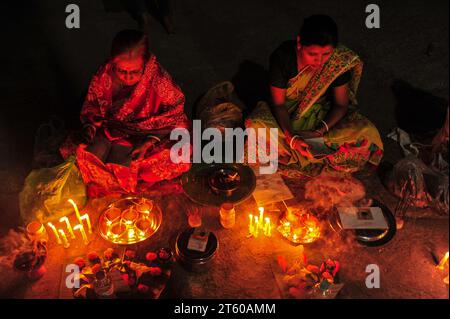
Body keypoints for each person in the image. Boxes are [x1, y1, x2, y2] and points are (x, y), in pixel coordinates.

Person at [245, 14, 383, 175]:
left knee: (365, 132)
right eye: (312, 54)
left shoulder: (338, 62)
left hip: (321, 115)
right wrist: (292, 138)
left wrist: (318, 131)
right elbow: (278, 104)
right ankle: (306, 153)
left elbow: (341, 105)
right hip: (285, 117)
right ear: (299, 43)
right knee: (256, 126)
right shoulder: (283, 57)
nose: (319, 61)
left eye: (326, 54)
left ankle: (299, 154)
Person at [60, 30, 190, 197]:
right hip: (112, 130)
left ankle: (127, 176)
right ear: (113, 63)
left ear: (146, 63)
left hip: (150, 133)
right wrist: (90, 128)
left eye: (135, 72)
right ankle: (117, 178)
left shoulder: (159, 82)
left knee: (178, 154)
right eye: (122, 71)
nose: (128, 78)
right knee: (86, 154)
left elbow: (175, 116)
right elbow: (93, 108)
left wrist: (148, 143)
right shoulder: (104, 76)